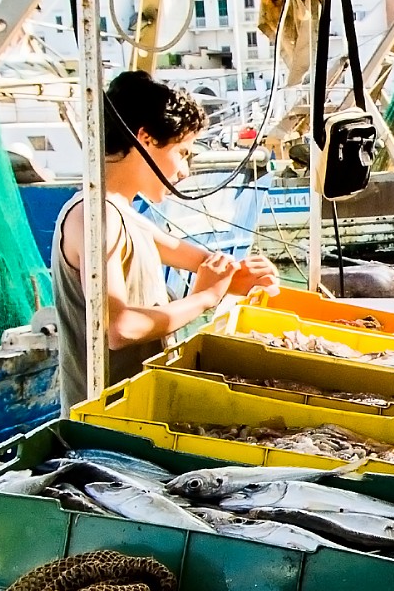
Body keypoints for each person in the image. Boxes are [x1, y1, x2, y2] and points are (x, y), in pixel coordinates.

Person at [56, 70, 277, 408]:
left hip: (143, 406)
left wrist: (240, 276)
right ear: (146, 139)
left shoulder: (126, 214)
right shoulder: (95, 216)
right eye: (183, 152)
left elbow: (201, 261)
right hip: (108, 421)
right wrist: (204, 298)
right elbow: (120, 327)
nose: (184, 171)